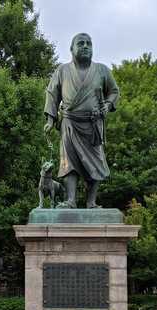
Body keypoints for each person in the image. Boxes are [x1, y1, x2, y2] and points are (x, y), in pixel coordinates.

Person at [44, 33, 120, 209]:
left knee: (96, 162)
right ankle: (71, 200)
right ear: (72, 49)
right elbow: (52, 93)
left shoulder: (102, 70)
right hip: (69, 123)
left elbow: (114, 91)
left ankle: (91, 202)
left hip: (93, 124)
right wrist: (50, 119)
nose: (85, 46)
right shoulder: (62, 71)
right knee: (69, 162)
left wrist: (108, 105)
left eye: (89, 44)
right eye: (81, 43)